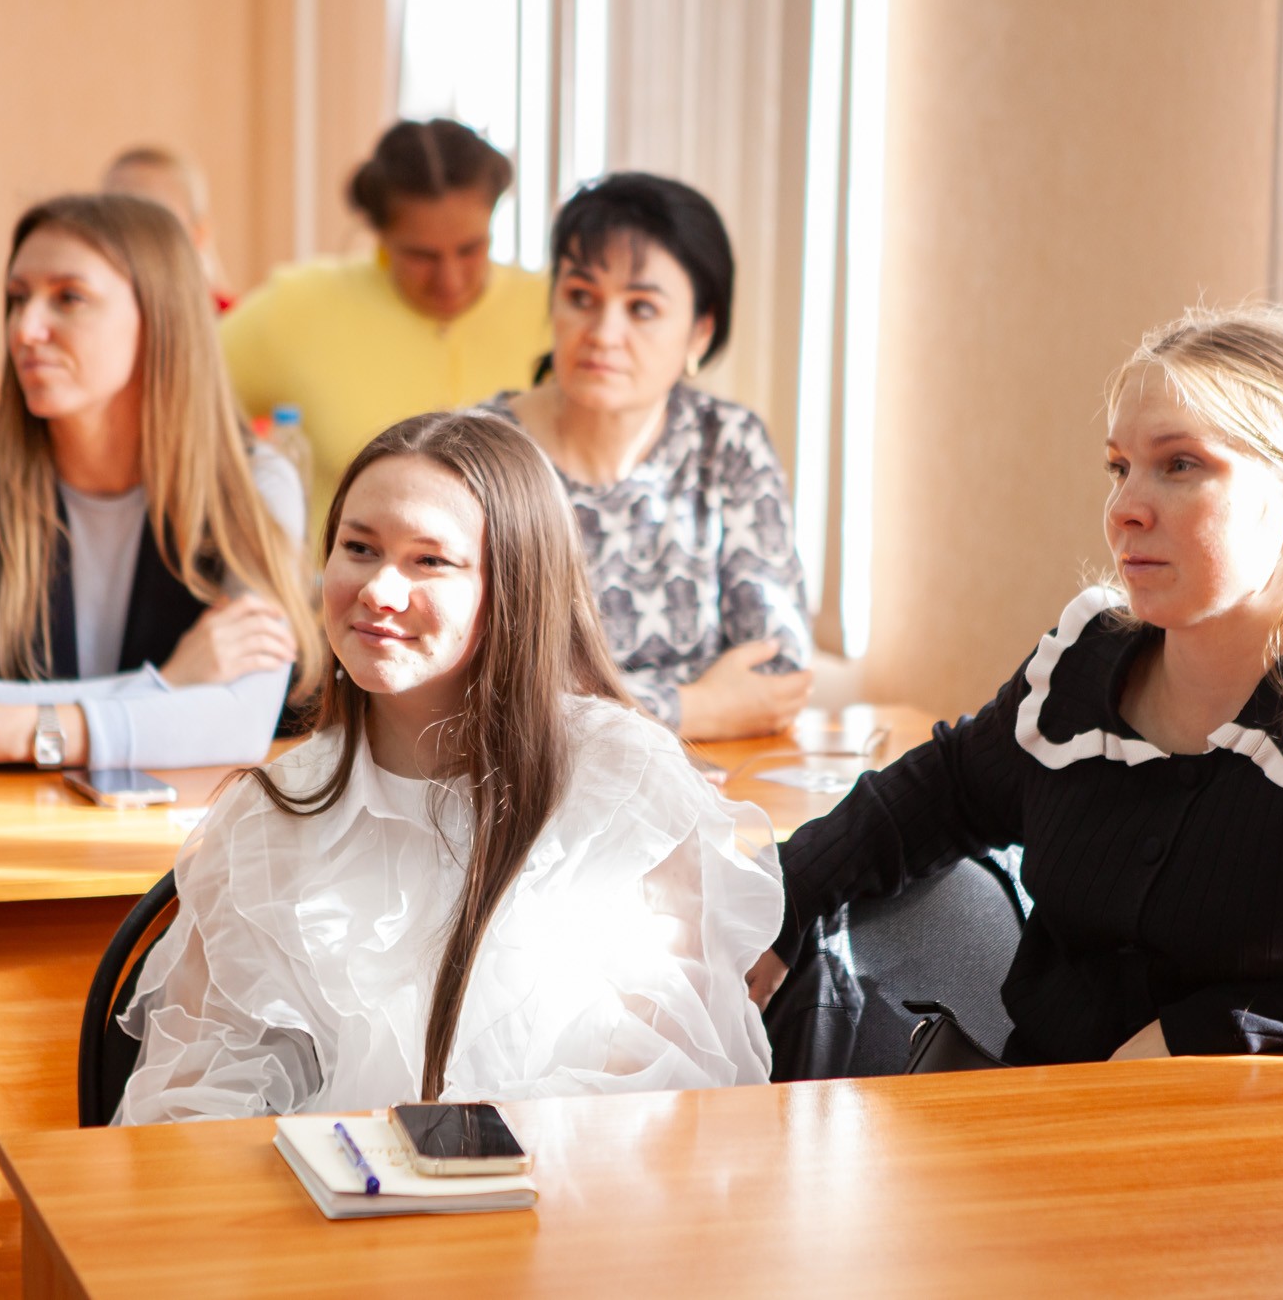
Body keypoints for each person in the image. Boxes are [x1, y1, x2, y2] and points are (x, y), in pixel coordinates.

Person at [752, 306, 1283, 1063]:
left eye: (1181, 465)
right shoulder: (1081, 668)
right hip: (1036, 1134)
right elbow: (940, 794)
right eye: (1120, 467)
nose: (1125, 509)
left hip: (1244, 1159)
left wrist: (1212, 1034)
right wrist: (772, 909)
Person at [113, 411, 782, 1122]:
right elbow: (190, 1099)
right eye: (358, 548)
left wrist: (468, 1166)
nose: (378, 590)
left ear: (515, 588)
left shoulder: (626, 785)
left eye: (429, 560)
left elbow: (680, 1084)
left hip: (569, 1184)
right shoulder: (265, 817)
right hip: (334, 1189)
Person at [0, 193, 321, 771]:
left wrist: (14, 729)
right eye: (17, 299)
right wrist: (169, 685)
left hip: (172, 823)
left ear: (160, 320)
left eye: (69, 298)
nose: (25, 329)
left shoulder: (255, 482)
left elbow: (242, 724)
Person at [482, 173, 812, 741]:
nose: (603, 333)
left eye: (642, 308)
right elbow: (472, 689)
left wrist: (581, 703)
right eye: (581, 297)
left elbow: (778, 675)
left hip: (708, 781)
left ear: (700, 332)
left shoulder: (728, 443)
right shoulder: (479, 454)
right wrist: (692, 707)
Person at [220, 119, 550, 539]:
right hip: (338, 579)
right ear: (379, 235)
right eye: (421, 256)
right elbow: (180, 390)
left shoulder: (554, 309)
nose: (450, 279)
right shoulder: (299, 307)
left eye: (471, 249)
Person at [101, 145, 235, 311]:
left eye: (152, 220)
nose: (129, 232)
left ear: (198, 235)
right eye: (114, 216)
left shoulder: (228, 317)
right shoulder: (95, 307)